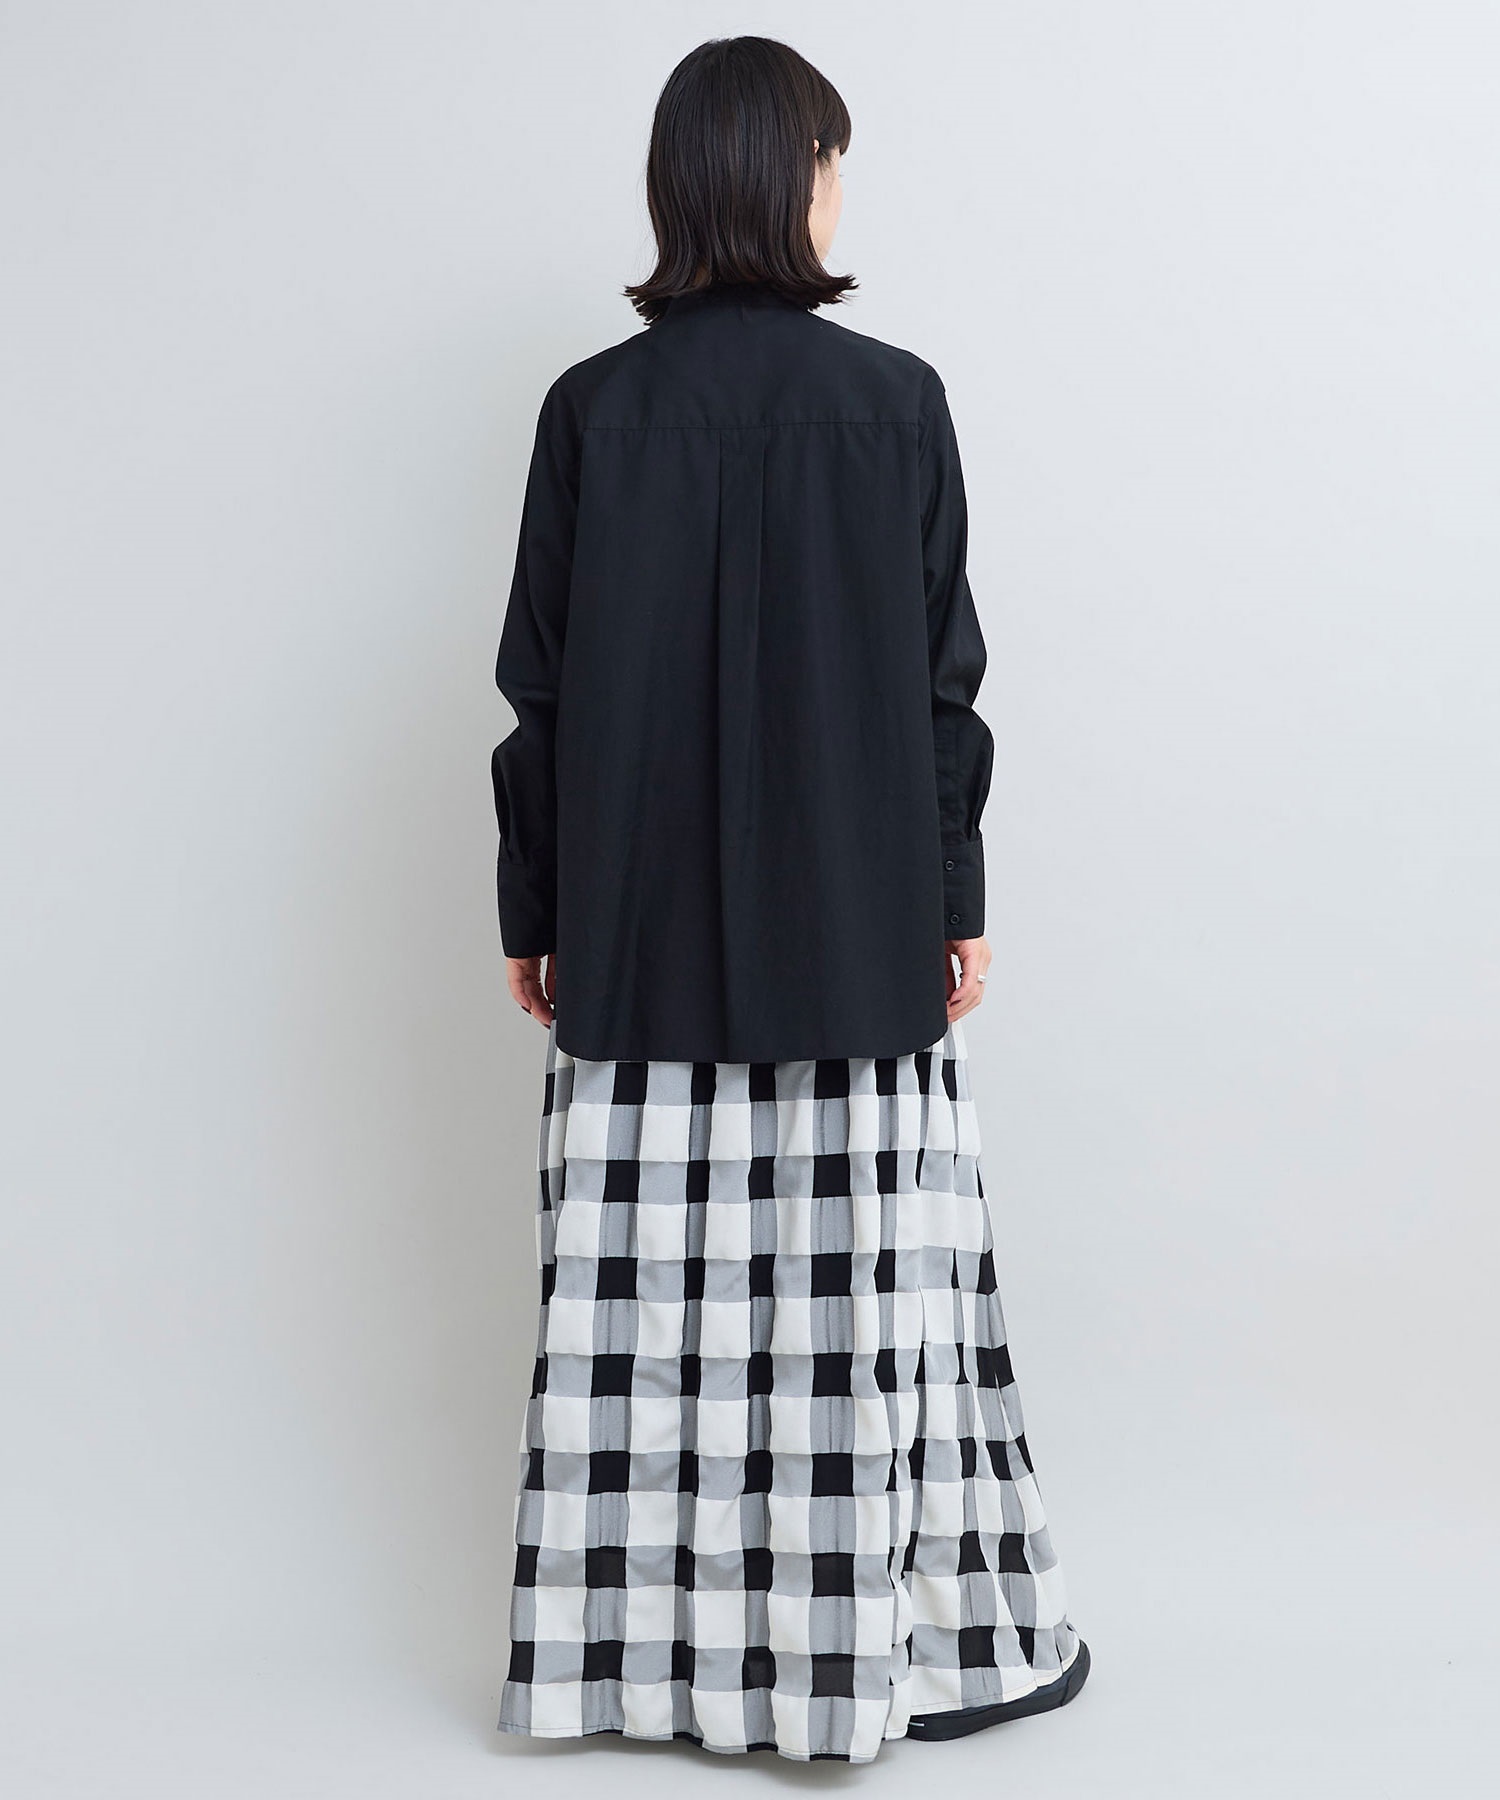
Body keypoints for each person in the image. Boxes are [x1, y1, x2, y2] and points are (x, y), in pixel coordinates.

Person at [490, 34, 1088, 1765]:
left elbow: (541, 693)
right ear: (792, 179)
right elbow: (942, 685)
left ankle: (645, 1669)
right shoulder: (896, 401)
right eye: (833, 161)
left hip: (633, 941)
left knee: (647, 1337)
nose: (840, 192)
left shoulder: (592, 409)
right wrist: (956, 892)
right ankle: (858, 1662)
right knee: (855, 1326)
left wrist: (535, 908)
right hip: (863, 930)